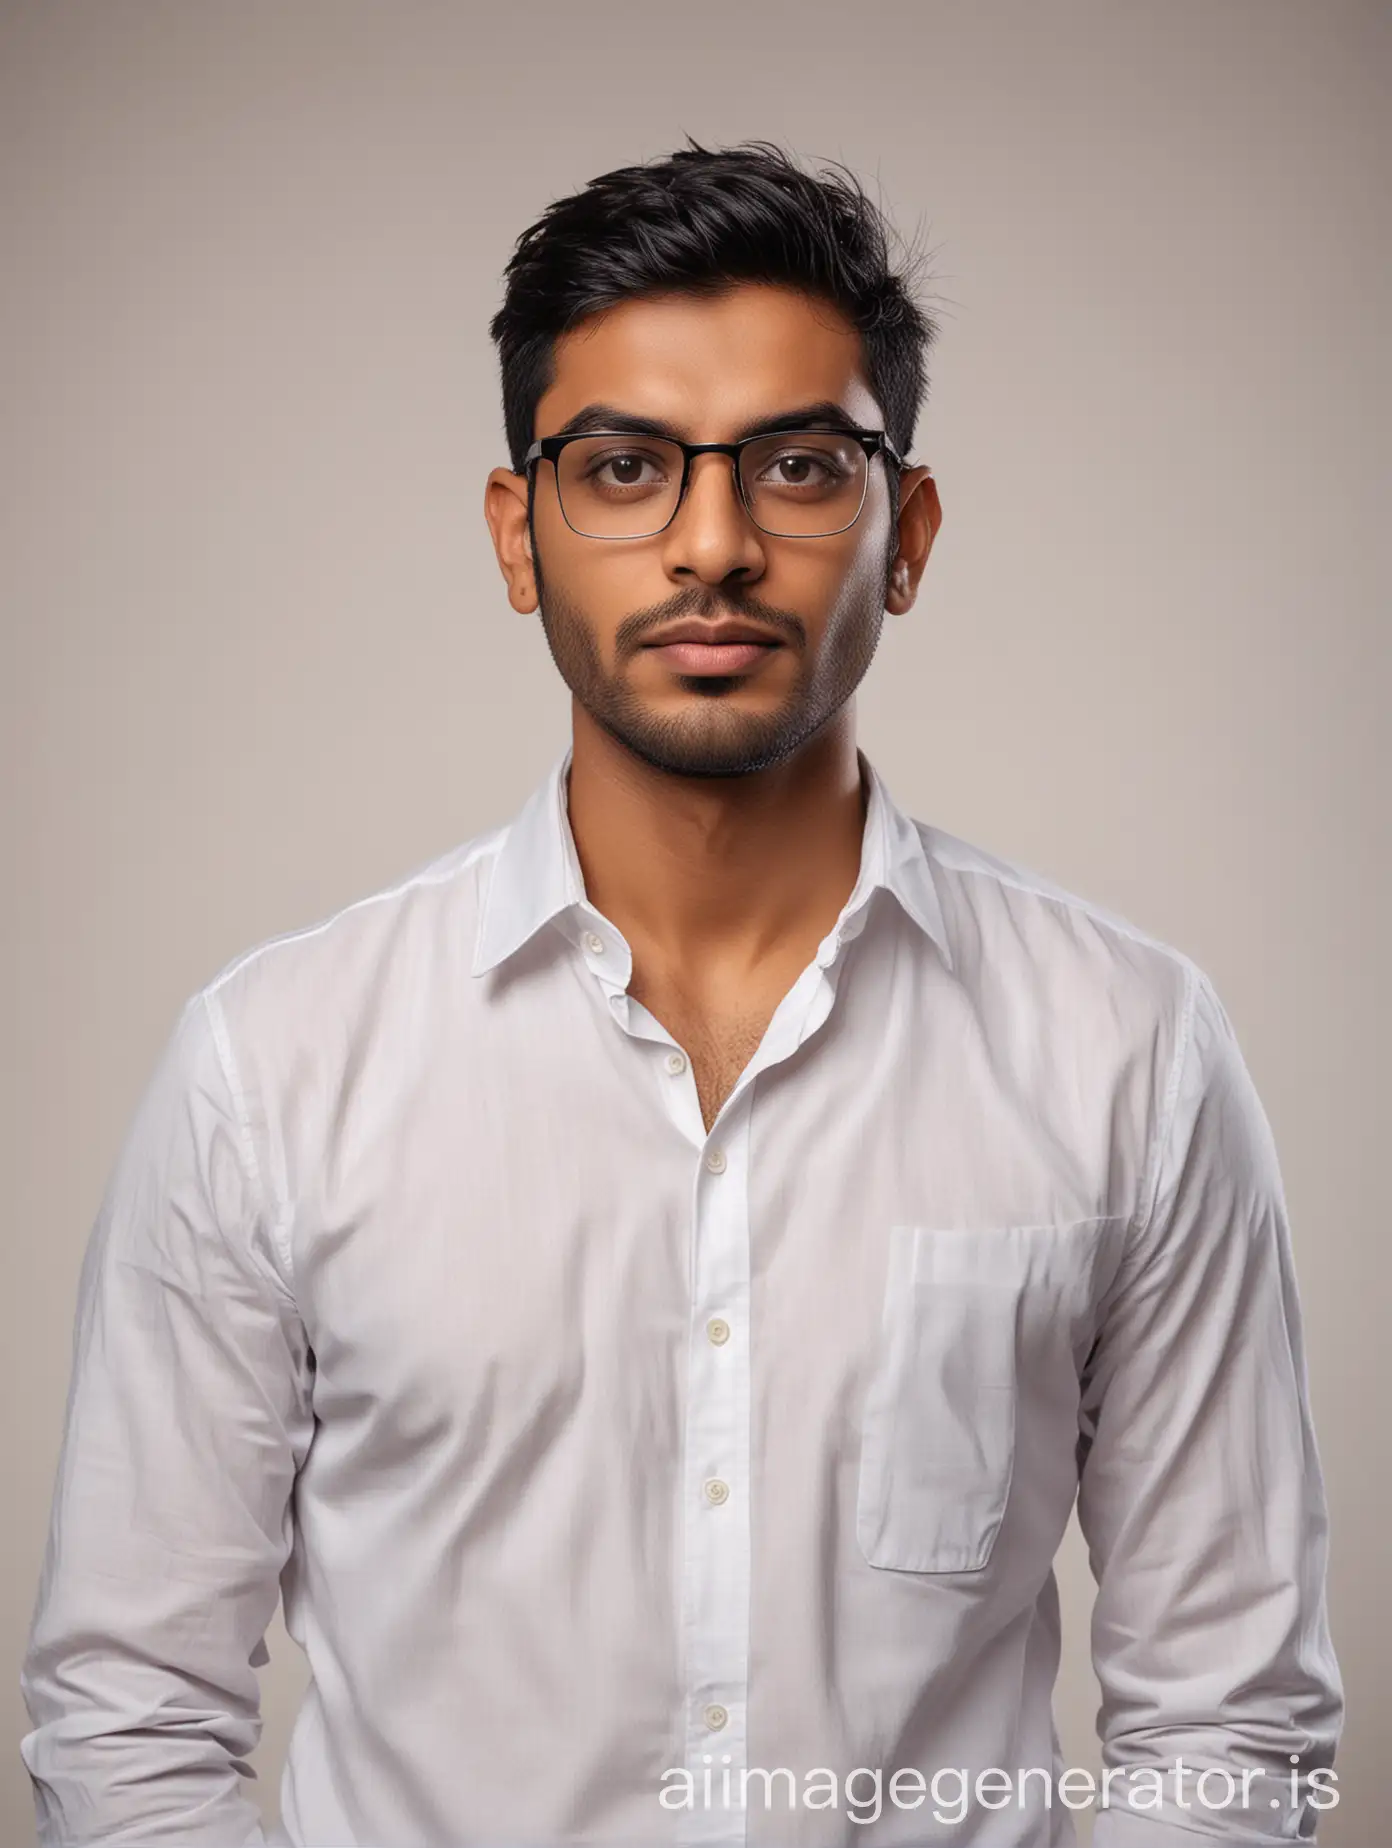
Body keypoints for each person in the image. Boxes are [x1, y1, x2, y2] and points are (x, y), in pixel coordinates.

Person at [21, 140, 1342, 1848]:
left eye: (799, 464)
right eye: (626, 466)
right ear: (521, 533)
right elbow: (128, 1718)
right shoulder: (273, 1068)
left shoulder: (1129, 1054)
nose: (712, 545)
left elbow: (1233, 1732)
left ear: (908, 530)